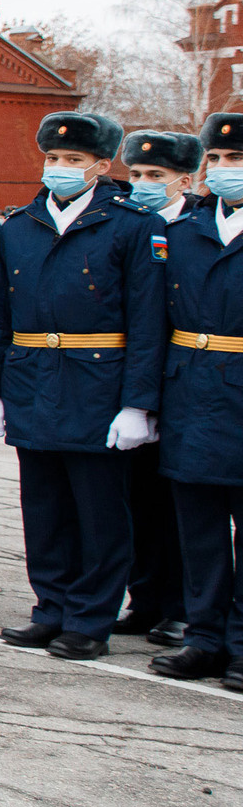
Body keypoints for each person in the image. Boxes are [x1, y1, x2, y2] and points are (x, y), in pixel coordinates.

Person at [0, 112, 165, 660]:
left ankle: (90, 618)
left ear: (101, 166)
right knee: (43, 506)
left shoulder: (133, 226)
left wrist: (138, 403)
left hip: (98, 383)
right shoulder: (19, 225)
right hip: (32, 379)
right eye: (52, 159)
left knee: (99, 510)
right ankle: (52, 607)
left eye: (73, 160)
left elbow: (148, 320)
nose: (59, 169)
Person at [154, 112, 243, 689]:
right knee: (200, 527)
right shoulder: (184, 231)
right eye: (216, 160)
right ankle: (205, 636)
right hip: (190, 390)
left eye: (237, 161)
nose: (224, 170)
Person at [116, 129, 196, 644]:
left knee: (181, 504)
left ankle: (182, 605)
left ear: (183, 181)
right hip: (132, 377)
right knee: (138, 498)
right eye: (138, 175)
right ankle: (145, 597)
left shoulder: (194, 227)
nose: (143, 184)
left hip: (186, 379)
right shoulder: (126, 226)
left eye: (156, 176)